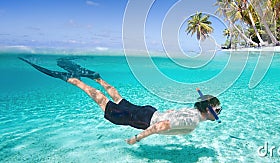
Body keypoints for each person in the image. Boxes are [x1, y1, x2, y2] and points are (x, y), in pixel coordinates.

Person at [19, 57, 222, 145]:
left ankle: (96, 76)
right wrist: (137, 138)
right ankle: (71, 79)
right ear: (208, 110)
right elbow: (162, 126)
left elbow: (169, 114)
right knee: (103, 102)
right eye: (218, 110)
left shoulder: (191, 112)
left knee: (117, 97)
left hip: (149, 111)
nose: (219, 113)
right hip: (145, 120)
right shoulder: (193, 122)